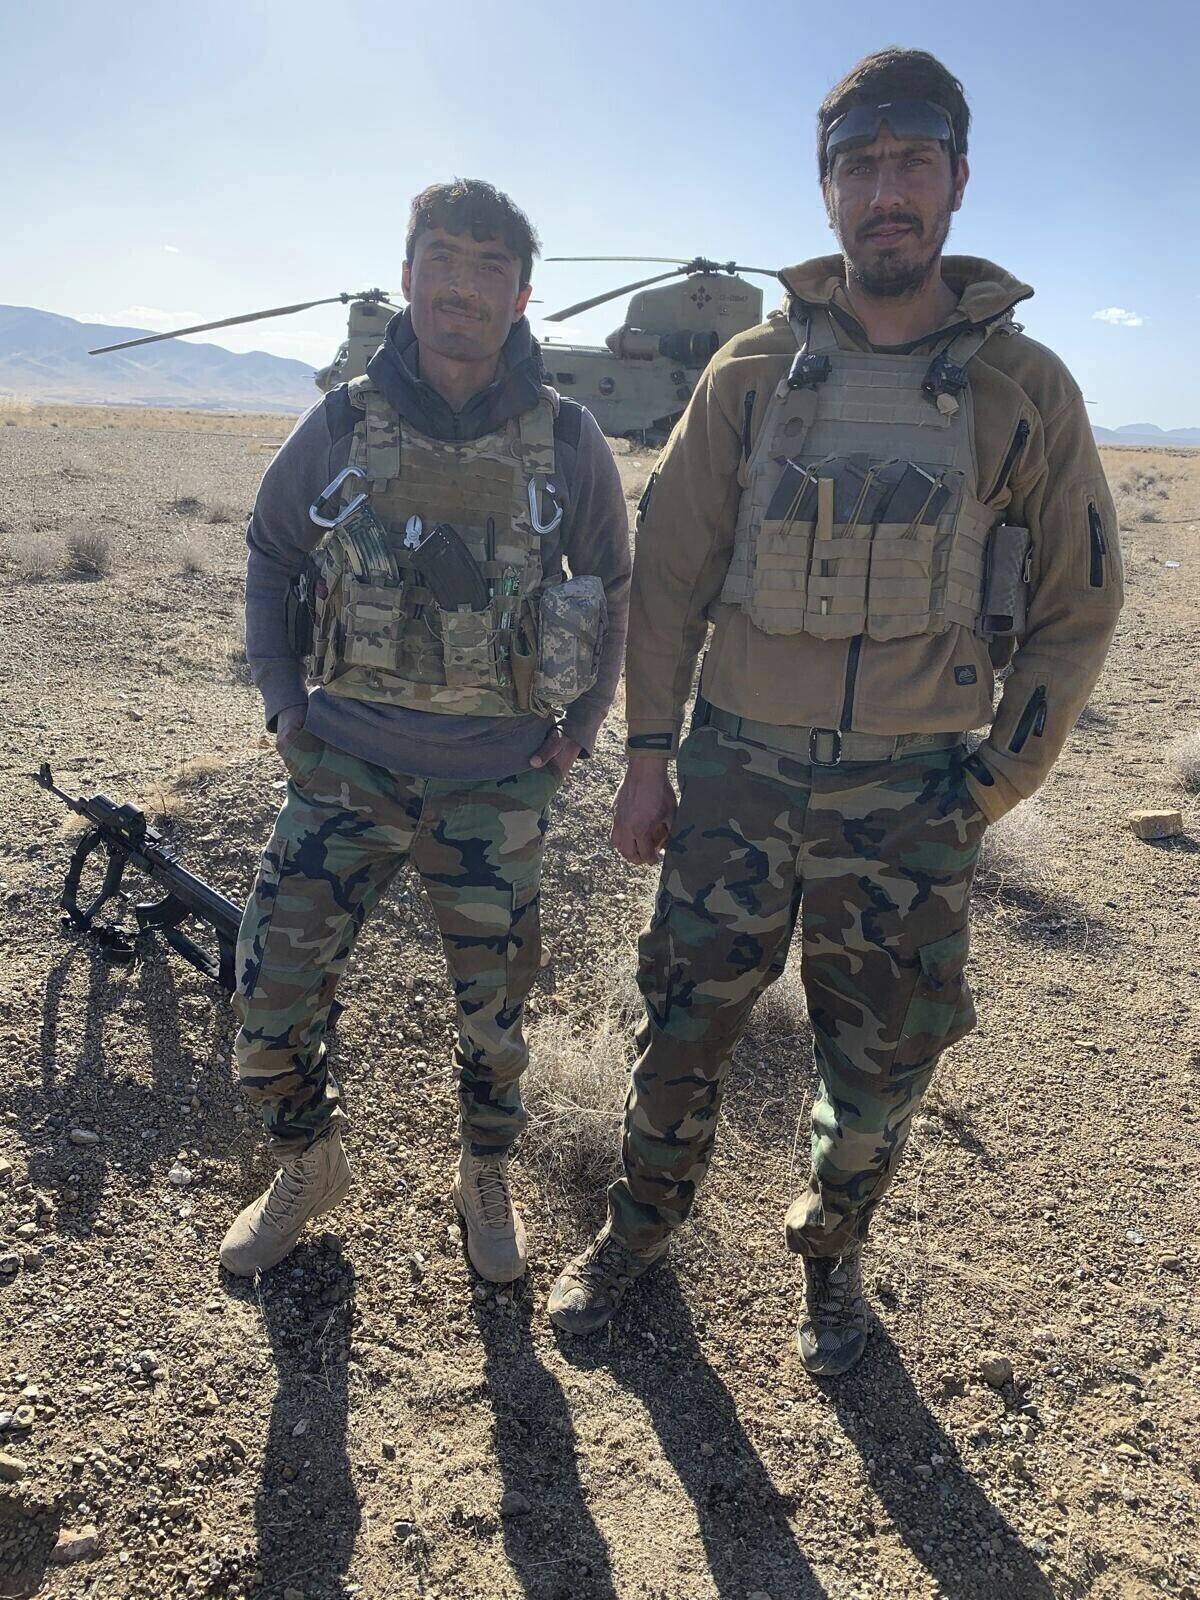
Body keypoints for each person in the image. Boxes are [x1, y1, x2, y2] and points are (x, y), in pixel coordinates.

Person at [548, 49, 1123, 1374]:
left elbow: (1079, 604)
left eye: (912, 162)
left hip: (911, 791)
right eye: (859, 166)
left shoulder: (1026, 389)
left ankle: (832, 1254)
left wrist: (995, 781)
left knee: (878, 1066)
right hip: (738, 771)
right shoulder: (751, 371)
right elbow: (669, 574)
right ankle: (636, 1231)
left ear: (958, 180)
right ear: (826, 191)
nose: (885, 191)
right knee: (683, 1025)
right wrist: (648, 758)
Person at [220, 179, 630, 1285]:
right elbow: (270, 553)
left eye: (491, 266)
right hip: (344, 767)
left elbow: (613, 584)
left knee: (496, 1022)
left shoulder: (570, 439)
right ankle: (308, 1161)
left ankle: (482, 1174)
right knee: (268, 1001)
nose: (463, 284)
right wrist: (284, 702)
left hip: (496, 783)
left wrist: (583, 725)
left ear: (522, 294)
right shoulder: (341, 423)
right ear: (407, 276)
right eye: (442, 258)